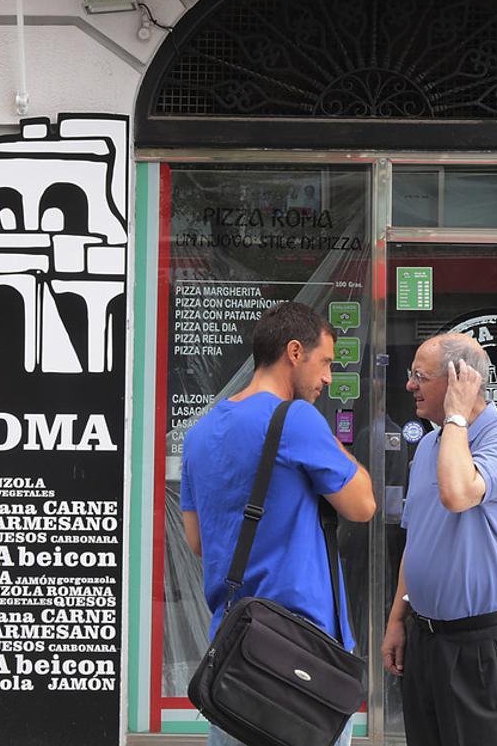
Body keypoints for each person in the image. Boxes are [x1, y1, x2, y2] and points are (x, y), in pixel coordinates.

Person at [181, 301, 376, 746]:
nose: (328, 377)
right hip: (302, 655)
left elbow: (197, 542)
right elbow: (363, 504)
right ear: (294, 352)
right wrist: (327, 445)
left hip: (234, 656)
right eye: (325, 361)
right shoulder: (297, 420)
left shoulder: (199, 435)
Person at [381, 332, 497, 746]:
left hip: (482, 644)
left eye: (420, 375)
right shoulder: (431, 444)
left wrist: (456, 418)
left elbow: (457, 493)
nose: (409, 385)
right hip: (427, 640)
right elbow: (417, 541)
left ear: (459, 379)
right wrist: (398, 620)